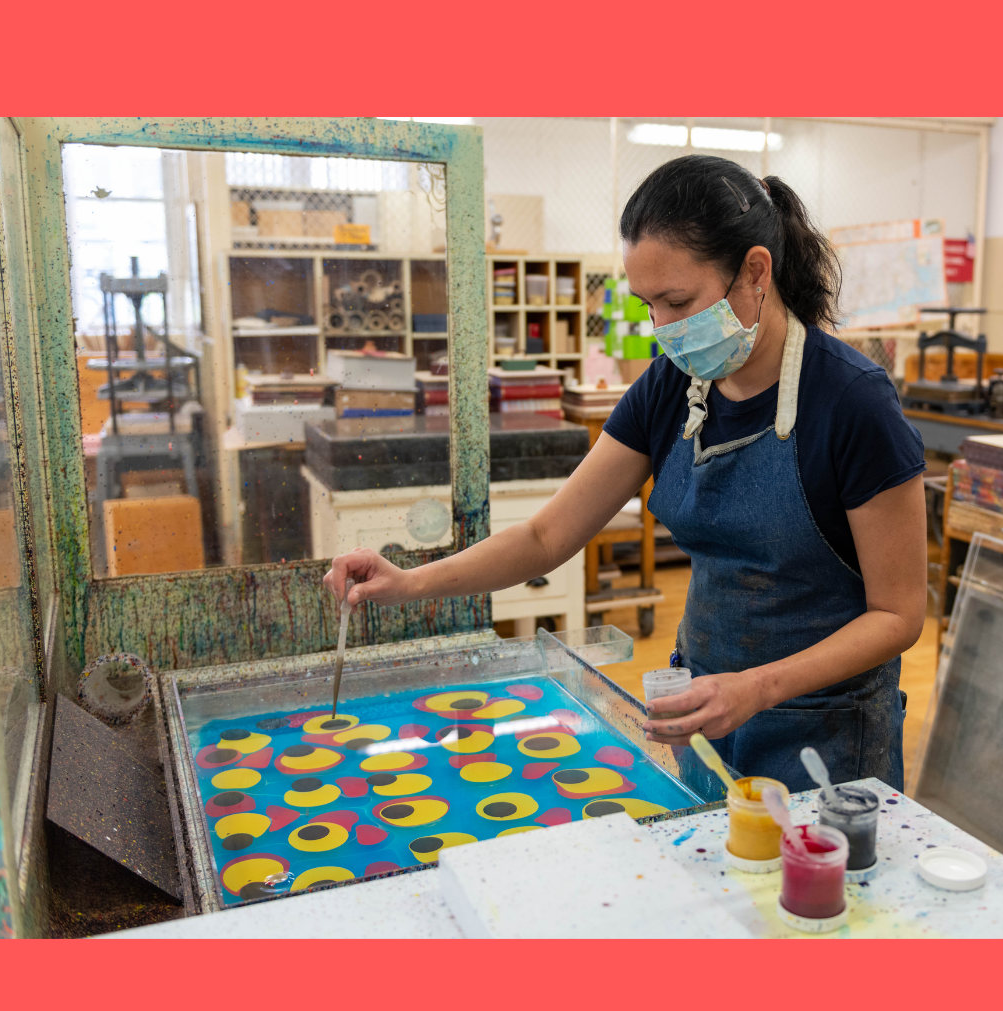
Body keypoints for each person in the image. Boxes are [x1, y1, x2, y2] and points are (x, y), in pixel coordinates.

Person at [323, 154, 926, 794]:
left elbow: (898, 615)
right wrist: (410, 582)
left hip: (827, 736)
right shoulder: (671, 387)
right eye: (648, 305)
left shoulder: (852, 403)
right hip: (708, 715)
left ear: (756, 271)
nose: (662, 328)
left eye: (678, 301)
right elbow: (545, 538)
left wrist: (757, 687)